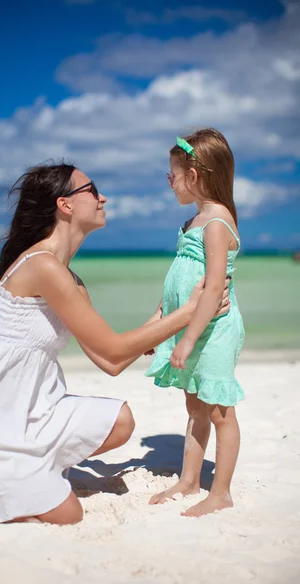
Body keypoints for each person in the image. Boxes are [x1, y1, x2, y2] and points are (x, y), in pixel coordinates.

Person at [0, 162, 230, 525]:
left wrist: (167, 313)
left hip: (26, 413)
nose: (102, 197)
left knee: (120, 421)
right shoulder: (42, 266)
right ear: (65, 205)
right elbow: (116, 349)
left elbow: (111, 362)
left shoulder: (70, 280)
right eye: (92, 190)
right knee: (67, 513)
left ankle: (11, 472)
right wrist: (189, 313)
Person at [147, 129, 245, 517]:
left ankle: (220, 493)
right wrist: (157, 323)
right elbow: (180, 278)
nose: (169, 181)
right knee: (194, 406)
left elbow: (214, 285)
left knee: (220, 410)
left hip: (214, 329)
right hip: (189, 325)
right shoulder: (194, 220)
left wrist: (186, 341)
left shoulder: (217, 221)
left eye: (173, 173)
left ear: (195, 174)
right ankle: (189, 480)